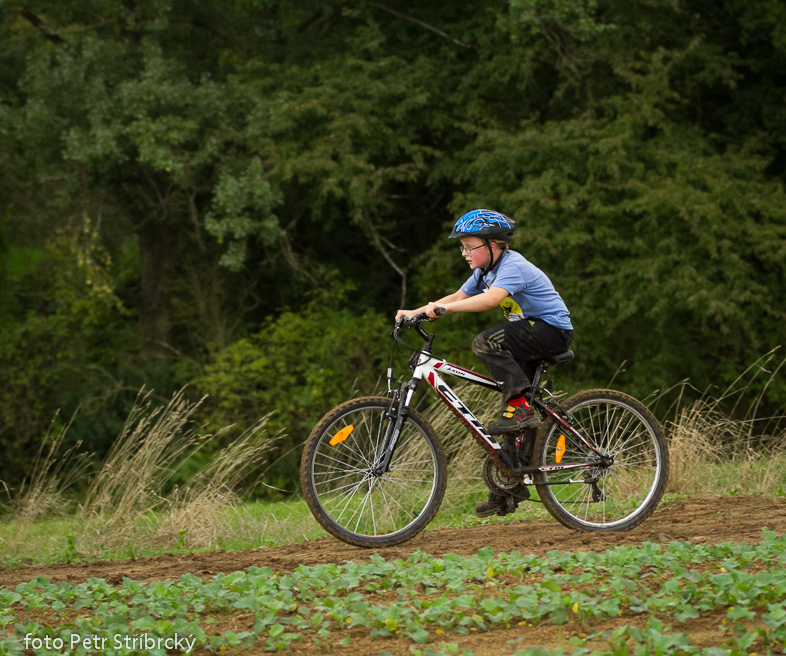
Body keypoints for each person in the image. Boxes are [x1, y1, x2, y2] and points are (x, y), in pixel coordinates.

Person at [395, 209, 573, 517]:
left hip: (551, 330)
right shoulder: (484, 272)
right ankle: (510, 486)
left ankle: (520, 405)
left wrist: (443, 311)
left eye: (469, 245)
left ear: (493, 244)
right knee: (514, 419)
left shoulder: (512, 265)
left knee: (485, 343)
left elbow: (490, 301)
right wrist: (419, 311)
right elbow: (456, 295)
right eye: (461, 246)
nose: (464, 252)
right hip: (529, 335)